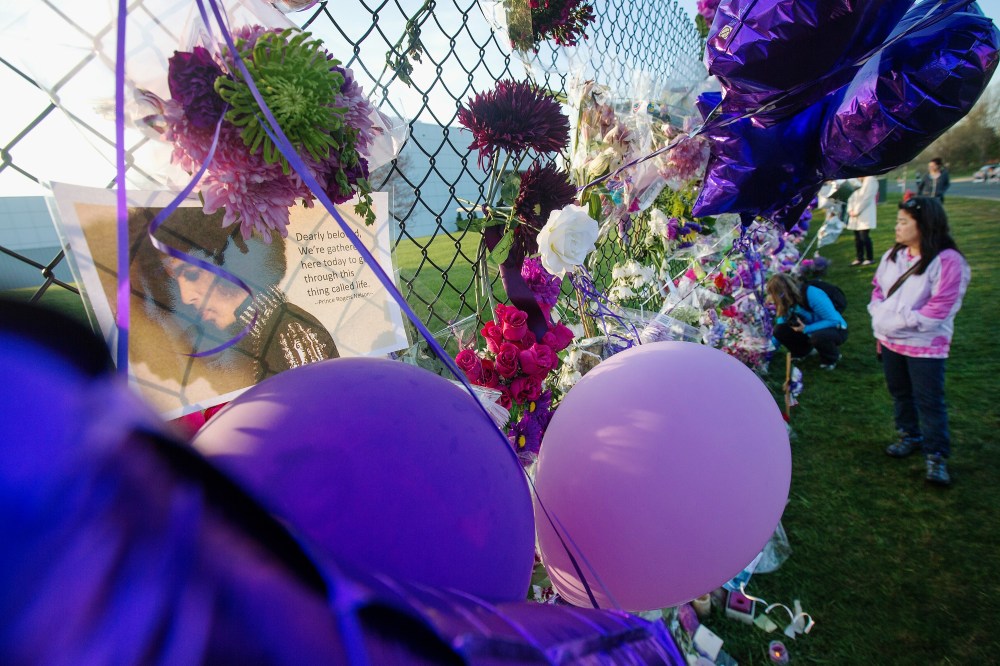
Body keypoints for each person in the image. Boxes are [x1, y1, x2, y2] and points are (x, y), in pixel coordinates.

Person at [134, 208, 339, 384]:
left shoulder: (291, 332)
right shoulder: (246, 341)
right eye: (174, 279)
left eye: (192, 274)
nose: (186, 297)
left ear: (235, 263)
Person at [868, 196, 970, 486]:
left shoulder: (947, 261)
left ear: (923, 225)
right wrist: (879, 314)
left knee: (929, 400)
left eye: (903, 222)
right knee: (900, 392)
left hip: (925, 345)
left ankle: (936, 454)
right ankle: (909, 434)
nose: (897, 227)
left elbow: (940, 308)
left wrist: (899, 320)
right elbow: (878, 289)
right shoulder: (894, 256)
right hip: (890, 342)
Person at [766, 273, 848, 370]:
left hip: (835, 328)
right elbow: (780, 327)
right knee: (779, 329)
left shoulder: (812, 294)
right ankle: (803, 352)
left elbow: (833, 320)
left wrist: (807, 328)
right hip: (808, 329)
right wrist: (767, 352)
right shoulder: (786, 301)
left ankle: (831, 358)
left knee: (818, 337)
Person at [846, 175, 878, 266]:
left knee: (864, 236)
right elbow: (851, 195)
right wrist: (850, 210)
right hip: (854, 214)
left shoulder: (871, 180)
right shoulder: (855, 180)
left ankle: (869, 258)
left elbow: (867, 197)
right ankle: (859, 258)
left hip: (865, 213)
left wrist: (857, 210)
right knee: (857, 238)